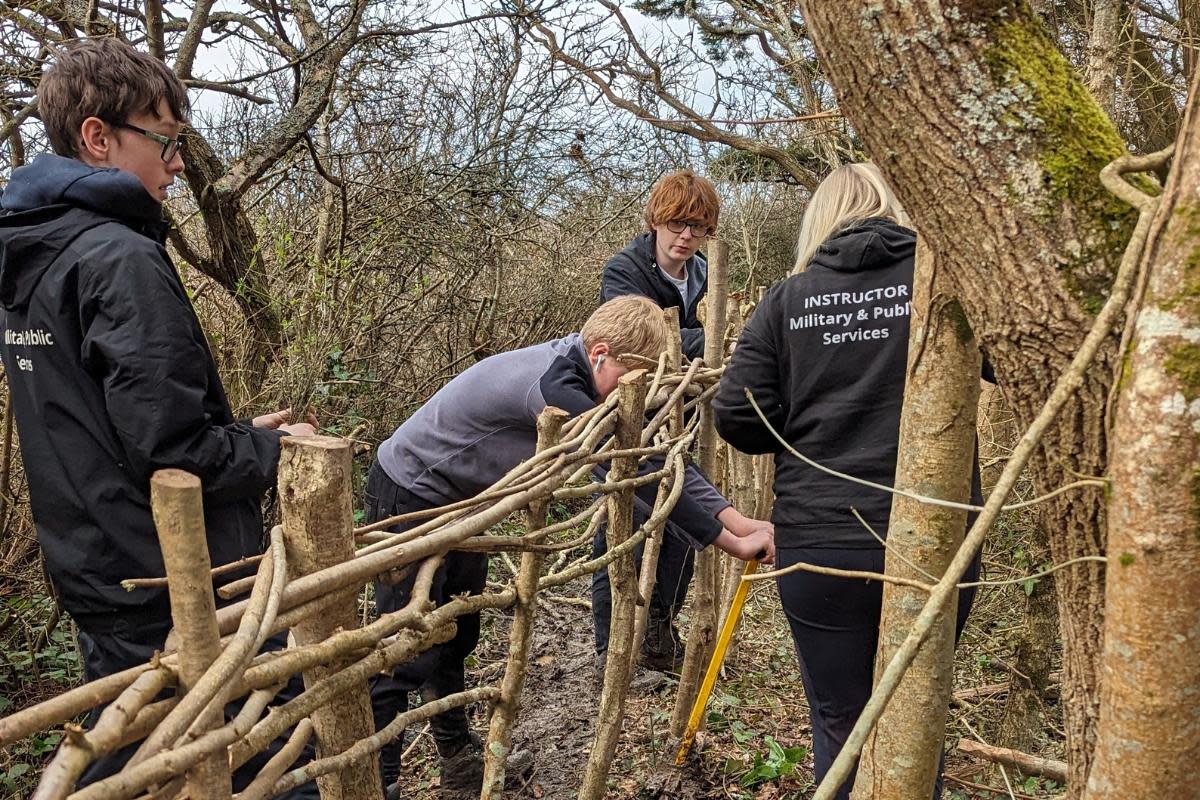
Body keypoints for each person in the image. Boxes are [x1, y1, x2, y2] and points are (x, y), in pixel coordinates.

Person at [0, 38, 316, 791]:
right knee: (273, 754)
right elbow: (172, 451)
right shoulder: (117, 257)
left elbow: (102, 424)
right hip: (176, 577)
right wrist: (275, 451)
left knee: (136, 754)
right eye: (166, 141)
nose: (177, 163)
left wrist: (238, 433)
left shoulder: (34, 256)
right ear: (97, 137)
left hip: (94, 565)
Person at [367, 295, 774, 795]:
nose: (634, 394)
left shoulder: (580, 365)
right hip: (411, 491)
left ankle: (457, 758)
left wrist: (737, 519)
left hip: (461, 504)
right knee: (403, 648)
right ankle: (374, 781)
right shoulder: (553, 386)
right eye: (630, 376)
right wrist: (727, 541)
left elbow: (653, 454)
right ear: (600, 353)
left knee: (456, 633)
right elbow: (635, 470)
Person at [713, 163, 982, 800]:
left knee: (840, 721)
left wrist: (807, 423)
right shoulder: (942, 282)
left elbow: (735, 413)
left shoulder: (788, 300)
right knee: (917, 722)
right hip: (933, 534)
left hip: (821, 537)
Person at [595, 169, 728, 671]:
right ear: (655, 221)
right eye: (677, 224)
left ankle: (658, 629)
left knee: (683, 522)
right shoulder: (625, 271)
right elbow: (643, 343)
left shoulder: (703, 274)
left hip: (683, 413)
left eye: (698, 227)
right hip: (632, 417)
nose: (686, 237)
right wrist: (714, 344)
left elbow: (710, 335)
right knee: (618, 522)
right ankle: (611, 650)